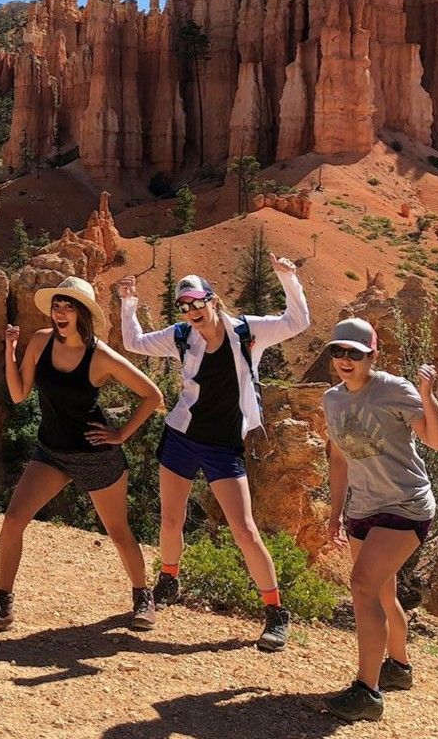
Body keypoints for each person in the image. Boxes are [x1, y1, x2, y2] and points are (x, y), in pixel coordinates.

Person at [117, 253, 309, 651]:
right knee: (171, 519)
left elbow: (297, 321)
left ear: (213, 300)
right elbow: (133, 342)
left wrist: (288, 278)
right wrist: (128, 302)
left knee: (245, 530)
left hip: (223, 444)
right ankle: (168, 582)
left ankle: (275, 612)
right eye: (184, 307)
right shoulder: (181, 335)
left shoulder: (247, 331)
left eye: (196, 303)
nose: (191, 312)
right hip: (182, 436)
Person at [0, 275, 164, 636]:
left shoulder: (99, 355)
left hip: (95, 454)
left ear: (82, 313)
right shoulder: (41, 342)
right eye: (57, 306)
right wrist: (10, 352)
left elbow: (152, 395)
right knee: (13, 519)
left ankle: (143, 596)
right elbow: (17, 394)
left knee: (118, 531)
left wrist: (120, 434)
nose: (60, 313)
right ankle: (2, 605)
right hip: (52, 451)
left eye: (68, 307)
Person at [321, 318, 438, 722]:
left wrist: (428, 395)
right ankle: (398, 667)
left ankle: (367, 691)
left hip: (405, 504)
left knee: (361, 585)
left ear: (371, 356)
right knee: (379, 592)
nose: (345, 359)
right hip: (363, 509)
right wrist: (335, 513)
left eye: (355, 354)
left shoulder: (394, 389)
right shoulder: (332, 399)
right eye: (338, 351)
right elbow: (339, 458)